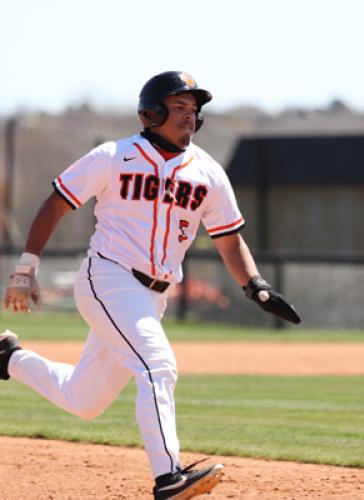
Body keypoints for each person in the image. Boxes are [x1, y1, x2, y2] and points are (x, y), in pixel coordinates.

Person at [1, 71, 300, 499]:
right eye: (179, 108)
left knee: (84, 400)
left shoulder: (208, 173)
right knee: (158, 365)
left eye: (194, 111)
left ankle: (9, 358)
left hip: (152, 296)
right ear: (151, 112)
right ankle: (168, 477)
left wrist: (255, 285)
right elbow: (56, 202)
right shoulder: (113, 156)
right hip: (108, 276)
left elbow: (229, 239)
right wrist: (26, 267)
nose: (189, 118)